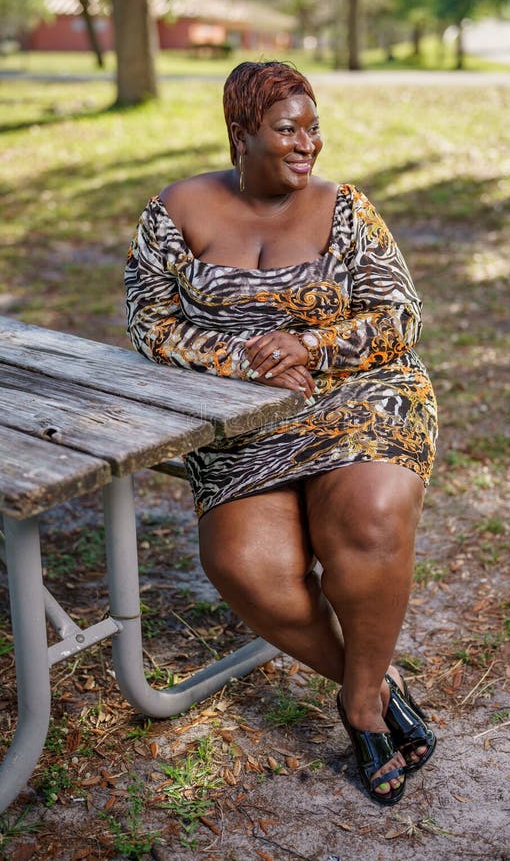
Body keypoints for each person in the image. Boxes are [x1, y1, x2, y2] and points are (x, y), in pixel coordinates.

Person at [125, 60, 438, 806]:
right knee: (245, 564)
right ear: (241, 134)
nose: (308, 144)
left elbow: (401, 316)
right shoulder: (175, 210)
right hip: (240, 421)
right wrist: (241, 359)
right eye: (287, 130)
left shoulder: (346, 208)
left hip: (360, 394)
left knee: (366, 520)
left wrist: (313, 347)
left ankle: (361, 708)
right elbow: (148, 324)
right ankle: (376, 676)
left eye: (313, 127)